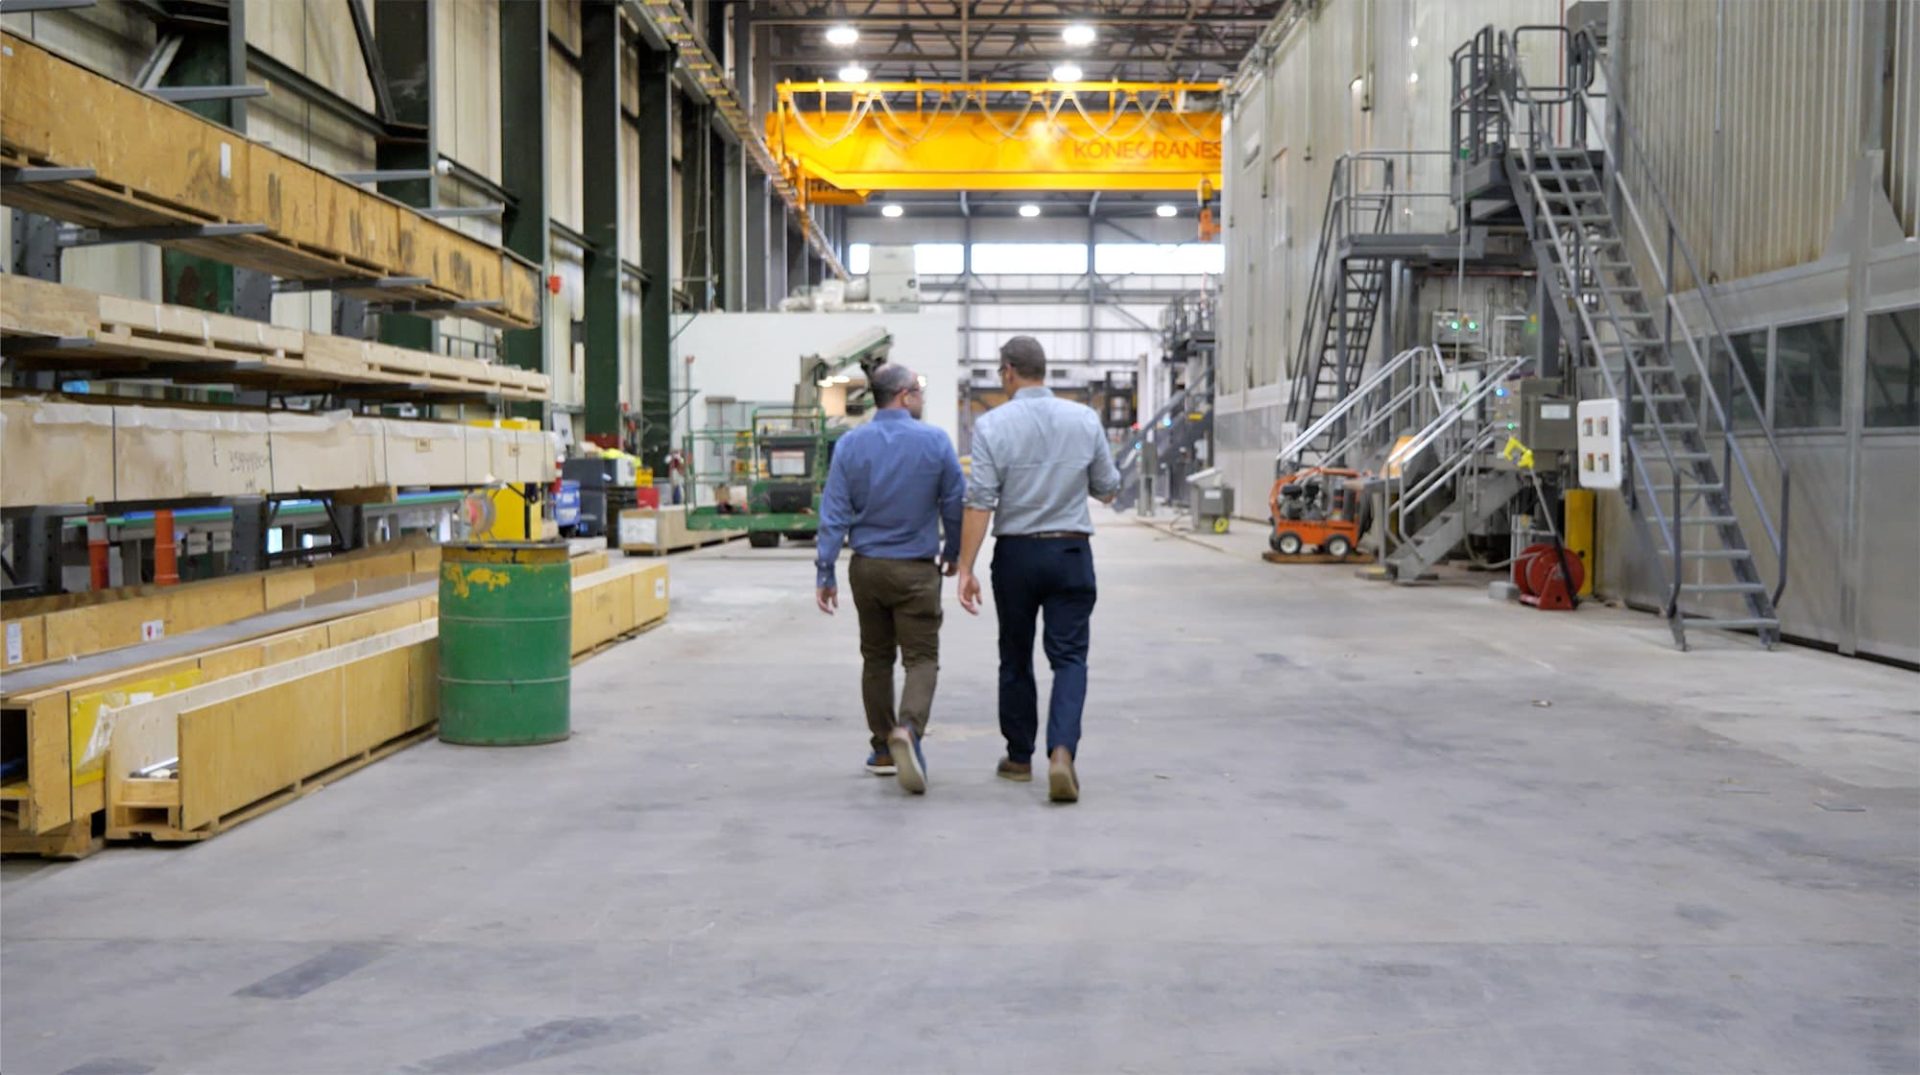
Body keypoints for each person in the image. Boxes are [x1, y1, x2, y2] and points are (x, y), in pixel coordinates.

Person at [954, 336, 1121, 804]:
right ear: (1042, 371)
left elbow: (980, 500)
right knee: (1070, 658)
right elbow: (1107, 488)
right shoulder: (1084, 419)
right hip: (1070, 552)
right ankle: (1062, 753)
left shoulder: (993, 425)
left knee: (1015, 655)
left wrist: (965, 567)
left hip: (1017, 556)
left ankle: (1019, 758)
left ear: (1008, 371)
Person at [815, 364, 965, 795]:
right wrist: (954, 553)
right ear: (902, 395)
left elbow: (834, 512)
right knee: (920, 658)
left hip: (867, 568)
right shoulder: (935, 441)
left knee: (876, 658)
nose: (920, 396)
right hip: (916, 568)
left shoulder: (850, 445)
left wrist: (825, 571)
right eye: (917, 390)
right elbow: (955, 502)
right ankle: (909, 730)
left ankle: (882, 748)